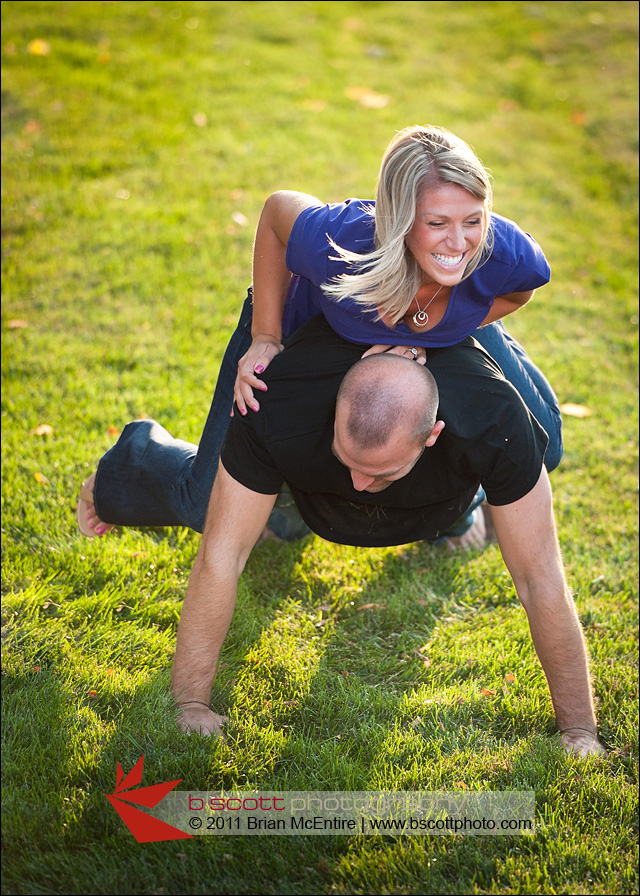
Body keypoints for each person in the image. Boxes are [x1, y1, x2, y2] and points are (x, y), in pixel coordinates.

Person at [78, 125, 562, 541]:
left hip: (433, 325)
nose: (459, 242)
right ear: (398, 220)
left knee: (542, 445)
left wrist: (451, 323)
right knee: (207, 504)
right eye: (437, 223)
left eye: (472, 221)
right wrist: (266, 335)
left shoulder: (500, 249)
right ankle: (133, 460)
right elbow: (275, 214)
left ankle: (453, 518)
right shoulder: (342, 241)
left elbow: (521, 291)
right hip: (306, 329)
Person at [169, 315, 606, 758]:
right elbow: (221, 556)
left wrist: (579, 731)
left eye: (380, 471)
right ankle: (137, 455)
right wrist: (190, 704)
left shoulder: (492, 419)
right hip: (314, 477)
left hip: (447, 476)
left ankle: (467, 508)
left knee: (542, 448)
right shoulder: (279, 399)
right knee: (238, 514)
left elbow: (540, 579)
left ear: (434, 433)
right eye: (349, 459)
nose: (359, 484)